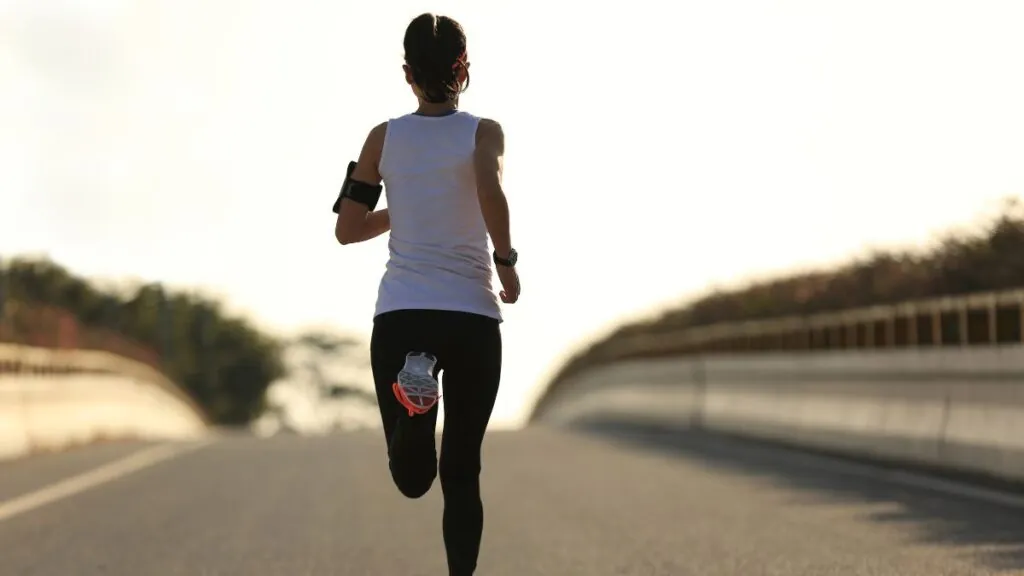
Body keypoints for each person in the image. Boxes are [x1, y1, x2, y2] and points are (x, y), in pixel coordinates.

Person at [331, 12, 521, 576]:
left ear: (406, 73)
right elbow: (490, 193)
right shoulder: (484, 132)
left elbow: (347, 227)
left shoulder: (382, 138)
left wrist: (407, 205)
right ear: (464, 69)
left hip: (403, 316)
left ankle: (417, 415)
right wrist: (505, 263)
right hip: (470, 319)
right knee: (462, 471)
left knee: (413, 480)